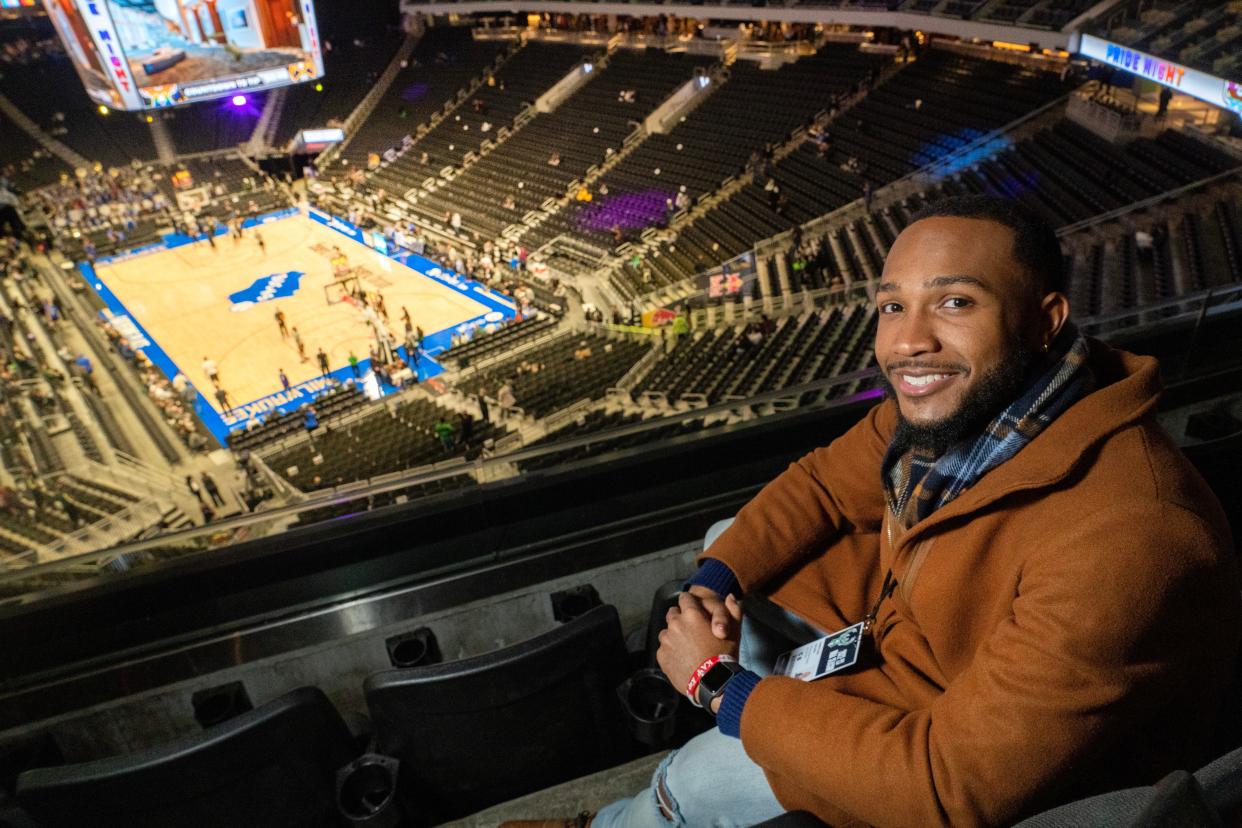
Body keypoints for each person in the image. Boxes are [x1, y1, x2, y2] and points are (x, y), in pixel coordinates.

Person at [513, 196, 1240, 828]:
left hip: (950, 753)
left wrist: (716, 687)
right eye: (894, 304)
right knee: (729, 542)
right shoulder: (972, 404)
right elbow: (823, 485)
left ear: (1045, 320)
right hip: (906, 645)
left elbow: (949, 792)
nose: (907, 341)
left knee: (697, 777)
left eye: (955, 302)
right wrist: (713, 581)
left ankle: (630, 816)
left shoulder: (1131, 537)